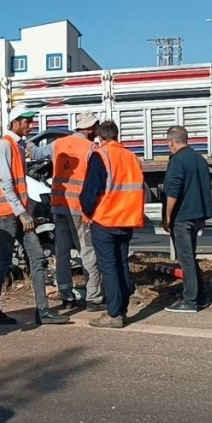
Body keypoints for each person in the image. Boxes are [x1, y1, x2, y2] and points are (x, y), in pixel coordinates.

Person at [0, 105, 69, 326]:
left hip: (19, 214)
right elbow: (5, 182)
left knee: (37, 258)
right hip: (9, 214)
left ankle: (43, 311)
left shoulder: (16, 146)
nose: (30, 125)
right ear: (15, 123)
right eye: (27, 122)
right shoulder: (5, 145)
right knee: (3, 262)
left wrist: (26, 212)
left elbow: (18, 185)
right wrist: (22, 213)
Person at [26, 111, 106, 312]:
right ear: (89, 128)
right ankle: (94, 297)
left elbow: (36, 154)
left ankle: (66, 295)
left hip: (58, 205)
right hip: (79, 208)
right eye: (95, 127)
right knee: (87, 251)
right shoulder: (92, 148)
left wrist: (26, 141)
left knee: (61, 252)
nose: (96, 131)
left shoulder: (59, 144)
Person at [80, 120, 145, 329]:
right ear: (116, 136)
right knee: (121, 263)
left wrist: (87, 211)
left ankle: (114, 313)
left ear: (100, 137)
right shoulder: (132, 157)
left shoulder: (101, 155)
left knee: (108, 267)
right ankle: (122, 308)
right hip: (127, 219)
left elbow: (91, 190)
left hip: (105, 218)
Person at [162, 125, 212, 313]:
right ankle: (199, 297)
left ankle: (190, 301)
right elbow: (204, 187)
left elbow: (173, 189)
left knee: (185, 260)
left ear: (171, 142)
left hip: (182, 216)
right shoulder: (199, 159)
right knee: (190, 257)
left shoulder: (177, 160)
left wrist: (168, 216)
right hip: (197, 214)